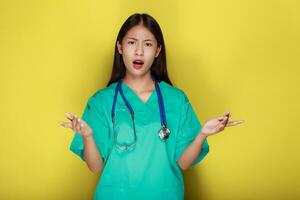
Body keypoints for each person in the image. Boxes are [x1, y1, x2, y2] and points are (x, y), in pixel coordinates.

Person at [59, 13, 244, 200]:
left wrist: (202, 134)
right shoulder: (101, 101)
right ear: (120, 47)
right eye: (131, 42)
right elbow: (95, 166)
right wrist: (88, 136)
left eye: (148, 44)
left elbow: (183, 163)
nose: (139, 51)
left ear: (157, 51)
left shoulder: (176, 100)